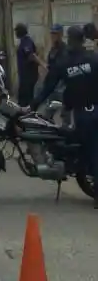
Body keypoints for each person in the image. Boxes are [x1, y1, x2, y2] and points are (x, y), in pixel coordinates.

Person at [30, 26, 98, 207]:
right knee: (90, 148)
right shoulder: (94, 59)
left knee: (91, 151)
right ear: (83, 40)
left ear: (70, 39)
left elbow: (48, 87)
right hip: (93, 110)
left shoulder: (65, 63)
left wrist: (33, 105)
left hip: (82, 113)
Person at [14, 23, 43, 107]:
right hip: (25, 76)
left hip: (28, 77)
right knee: (24, 100)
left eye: (16, 31)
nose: (15, 33)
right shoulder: (24, 41)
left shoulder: (26, 41)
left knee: (25, 101)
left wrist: (43, 65)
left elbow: (31, 55)